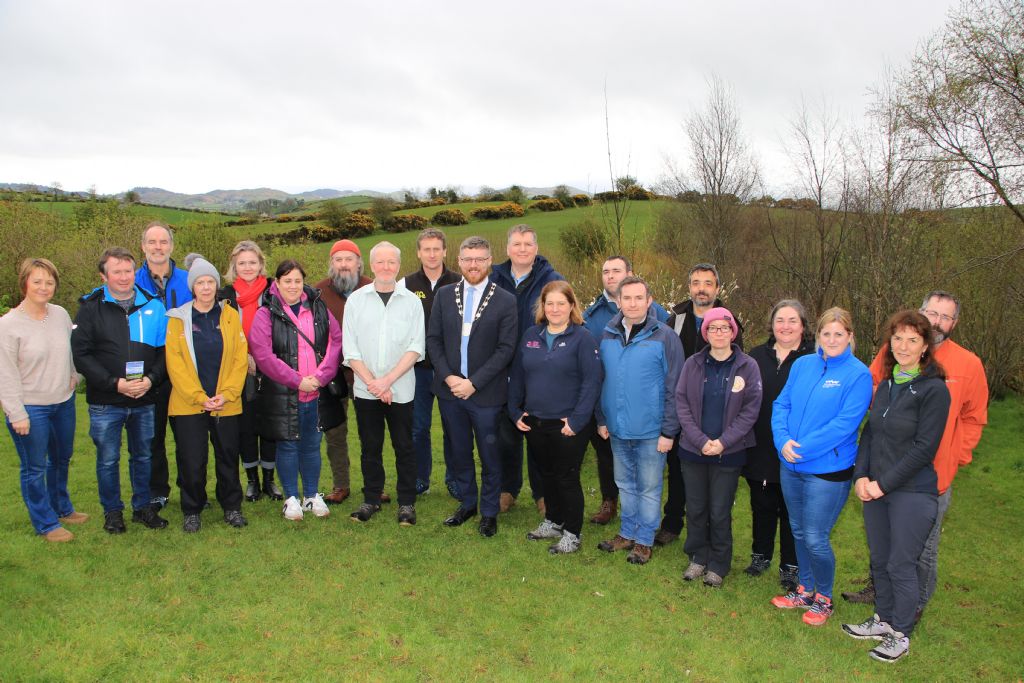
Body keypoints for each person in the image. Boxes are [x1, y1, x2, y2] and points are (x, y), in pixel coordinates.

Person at [842, 291, 988, 622]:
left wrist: (955, 455)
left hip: (931, 475)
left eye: (944, 316)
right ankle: (881, 597)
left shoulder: (967, 364)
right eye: (930, 313)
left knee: (921, 550)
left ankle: (913, 607)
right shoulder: (890, 357)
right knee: (883, 543)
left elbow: (974, 417)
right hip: (884, 467)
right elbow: (872, 396)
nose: (936, 321)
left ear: (954, 323)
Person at [841, 310, 950, 663]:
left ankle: (900, 633)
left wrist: (882, 485)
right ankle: (883, 619)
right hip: (875, 488)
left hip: (911, 492)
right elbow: (871, 433)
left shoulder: (934, 390)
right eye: (898, 338)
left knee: (901, 564)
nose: (903, 346)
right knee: (881, 560)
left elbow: (924, 449)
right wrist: (861, 476)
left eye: (912, 340)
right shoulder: (887, 383)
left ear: (925, 347)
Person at [769, 307, 872, 626]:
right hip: (791, 465)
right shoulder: (802, 365)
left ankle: (823, 597)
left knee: (815, 536)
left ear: (850, 337)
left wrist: (803, 448)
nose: (831, 339)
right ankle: (805, 590)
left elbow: (844, 425)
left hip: (827, 471)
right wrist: (782, 440)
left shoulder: (859, 375)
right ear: (818, 336)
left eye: (838, 334)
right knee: (798, 530)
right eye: (826, 333)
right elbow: (781, 404)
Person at [72, 247, 170, 533]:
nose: (124, 277)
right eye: (117, 271)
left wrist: (151, 379)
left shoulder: (153, 304)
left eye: (128, 270)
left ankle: (142, 508)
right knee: (108, 459)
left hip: (144, 397)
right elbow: (81, 355)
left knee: (143, 456)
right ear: (104, 275)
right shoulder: (90, 307)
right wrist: (115, 383)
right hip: (106, 400)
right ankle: (113, 512)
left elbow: (167, 352)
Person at [426, 236, 517, 538]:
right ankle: (468, 503)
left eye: (479, 259)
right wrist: (450, 378)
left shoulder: (505, 299)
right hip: (450, 392)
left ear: (489, 261)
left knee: (490, 454)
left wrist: (474, 383)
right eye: (467, 259)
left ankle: (489, 512)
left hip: (486, 394)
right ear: (459, 261)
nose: (473, 264)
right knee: (459, 452)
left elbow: (505, 349)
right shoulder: (444, 295)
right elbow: (433, 340)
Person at [509, 281, 603, 554]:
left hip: (568, 424)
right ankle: (553, 521)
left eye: (561, 303)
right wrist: (515, 411)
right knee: (545, 474)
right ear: (542, 307)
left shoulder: (583, 338)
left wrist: (577, 420)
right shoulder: (531, 335)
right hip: (536, 421)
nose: (555, 309)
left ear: (572, 306)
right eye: (549, 303)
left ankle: (572, 533)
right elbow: (517, 377)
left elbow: (592, 381)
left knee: (566, 477)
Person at [595, 276, 683, 565]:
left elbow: (676, 387)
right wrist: (602, 418)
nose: (632, 304)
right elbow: (602, 380)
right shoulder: (608, 334)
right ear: (618, 301)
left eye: (638, 298)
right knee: (624, 483)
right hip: (618, 428)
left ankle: (644, 539)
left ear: (649, 301)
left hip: (651, 430)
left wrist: (669, 431)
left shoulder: (665, 336)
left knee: (648, 486)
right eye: (627, 298)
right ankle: (626, 533)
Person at [658, 263, 745, 547]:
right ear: (690, 287)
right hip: (680, 404)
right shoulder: (677, 318)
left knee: (712, 475)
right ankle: (672, 522)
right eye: (696, 282)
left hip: (715, 410)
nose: (701, 288)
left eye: (708, 283)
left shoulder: (729, 321)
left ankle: (711, 529)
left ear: (717, 289)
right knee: (678, 467)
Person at [249, 259, 343, 521]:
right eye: (287, 280)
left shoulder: (318, 307)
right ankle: (291, 497)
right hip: (283, 393)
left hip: (316, 391)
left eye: (297, 280)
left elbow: (336, 340)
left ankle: (312, 496)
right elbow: (263, 355)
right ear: (277, 283)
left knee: (312, 444)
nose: (292, 285)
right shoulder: (266, 313)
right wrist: (296, 380)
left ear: (304, 282)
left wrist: (321, 376)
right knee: (288, 445)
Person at [675, 307, 762, 587]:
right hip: (693, 450)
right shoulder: (693, 364)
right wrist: (701, 441)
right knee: (697, 508)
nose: (719, 333)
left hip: (730, 452)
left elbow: (750, 411)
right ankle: (698, 557)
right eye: (713, 328)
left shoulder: (747, 366)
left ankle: (719, 563)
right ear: (706, 333)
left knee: (719, 510)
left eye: (725, 328)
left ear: (733, 332)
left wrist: (723, 442)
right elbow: (682, 404)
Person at [0, 258, 83, 542]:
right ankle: (45, 523)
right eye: (37, 281)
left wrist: (73, 375)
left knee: (61, 459)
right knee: (34, 467)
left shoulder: (59, 314)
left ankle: (62, 507)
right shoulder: (8, 325)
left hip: (63, 401)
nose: (43, 287)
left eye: (49, 282)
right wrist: (16, 413)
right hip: (30, 408)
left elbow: (65, 349)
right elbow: (5, 373)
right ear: (25, 282)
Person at [582, 255, 668, 526]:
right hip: (608, 405)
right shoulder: (591, 316)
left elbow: (669, 370)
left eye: (616, 270)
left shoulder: (660, 317)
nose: (610, 275)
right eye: (605, 271)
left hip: (645, 411)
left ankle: (645, 528)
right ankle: (611, 503)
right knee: (611, 463)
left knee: (646, 476)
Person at [165, 258, 249, 533]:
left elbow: (239, 359)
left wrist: (226, 394)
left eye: (210, 281)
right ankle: (192, 509)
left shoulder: (229, 314)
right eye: (200, 282)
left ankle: (232, 507)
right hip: (189, 404)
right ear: (192, 287)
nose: (205, 287)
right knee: (191, 459)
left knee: (227, 456)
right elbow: (175, 364)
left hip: (226, 403)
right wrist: (199, 396)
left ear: (216, 285)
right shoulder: (178, 319)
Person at [343, 242, 425, 525]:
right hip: (365, 390)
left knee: (404, 446)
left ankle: (406, 503)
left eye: (391, 262)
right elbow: (350, 350)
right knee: (370, 447)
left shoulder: (412, 302)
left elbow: (416, 347)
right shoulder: (356, 300)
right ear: (371, 264)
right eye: (380, 262)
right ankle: (371, 499)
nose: (386, 267)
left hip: (401, 390)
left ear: (399, 265)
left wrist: (387, 381)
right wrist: (374, 384)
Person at [491, 224, 564, 514]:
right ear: (507, 248)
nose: (522, 249)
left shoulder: (551, 278)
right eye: (517, 244)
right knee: (506, 433)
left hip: (538, 367)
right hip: (501, 367)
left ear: (536, 247)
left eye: (528, 244)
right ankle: (508, 488)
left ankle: (543, 493)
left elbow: (562, 319)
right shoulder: (493, 278)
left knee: (537, 432)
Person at [743, 300, 814, 590]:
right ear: (772, 324)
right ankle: (760, 555)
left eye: (792, 320)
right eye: (780, 320)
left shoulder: (812, 358)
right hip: (759, 441)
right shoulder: (756, 355)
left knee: (791, 507)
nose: (785, 326)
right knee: (761, 502)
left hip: (794, 443)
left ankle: (790, 565)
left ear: (803, 325)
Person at [314, 239, 381, 506]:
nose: (343, 265)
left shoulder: (372, 287)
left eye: (348, 259)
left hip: (366, 373)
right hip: (332, 375)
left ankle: (373, 485)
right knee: (335, 432)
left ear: (358, 262)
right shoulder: (318, 291)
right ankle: (341, 484)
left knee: (370, 432)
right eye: (338, 260)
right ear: (332, 263)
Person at [135, 221, 192, 510]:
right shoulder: (130, 282)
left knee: (187, 436)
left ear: (171, 246)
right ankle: (158, 491)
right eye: (152, 242)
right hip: (149, 371)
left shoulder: (188, 280)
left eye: (163, 242)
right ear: (143, 246)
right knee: (153, 437)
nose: (158, 247)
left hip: (185, 370)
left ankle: (190, 490)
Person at [220, 240, 282, 501]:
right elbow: (222, 333)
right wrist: (245, 359)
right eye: (242, 262)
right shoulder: (224, 295)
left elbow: (282, 325)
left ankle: (270, 479)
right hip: (239, 368)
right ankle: (252, 481)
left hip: (270, 365)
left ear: (261, 265)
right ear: (234, 265)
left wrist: (264, 358)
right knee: (246, 426)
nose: (247, 267)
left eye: (252, 262)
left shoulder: (272, 290)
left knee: (269, 423)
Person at [400, 228, 460, 497]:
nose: (432, 254)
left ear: (445, 251)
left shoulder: (460, 283)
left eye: (437, 248)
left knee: (453, 427)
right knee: (419, 427)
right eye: (427, 249)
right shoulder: (406, 284)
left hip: (451, 370)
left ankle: (455, 479)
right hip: (419, 369)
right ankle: (420, 478)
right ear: (419, 253)